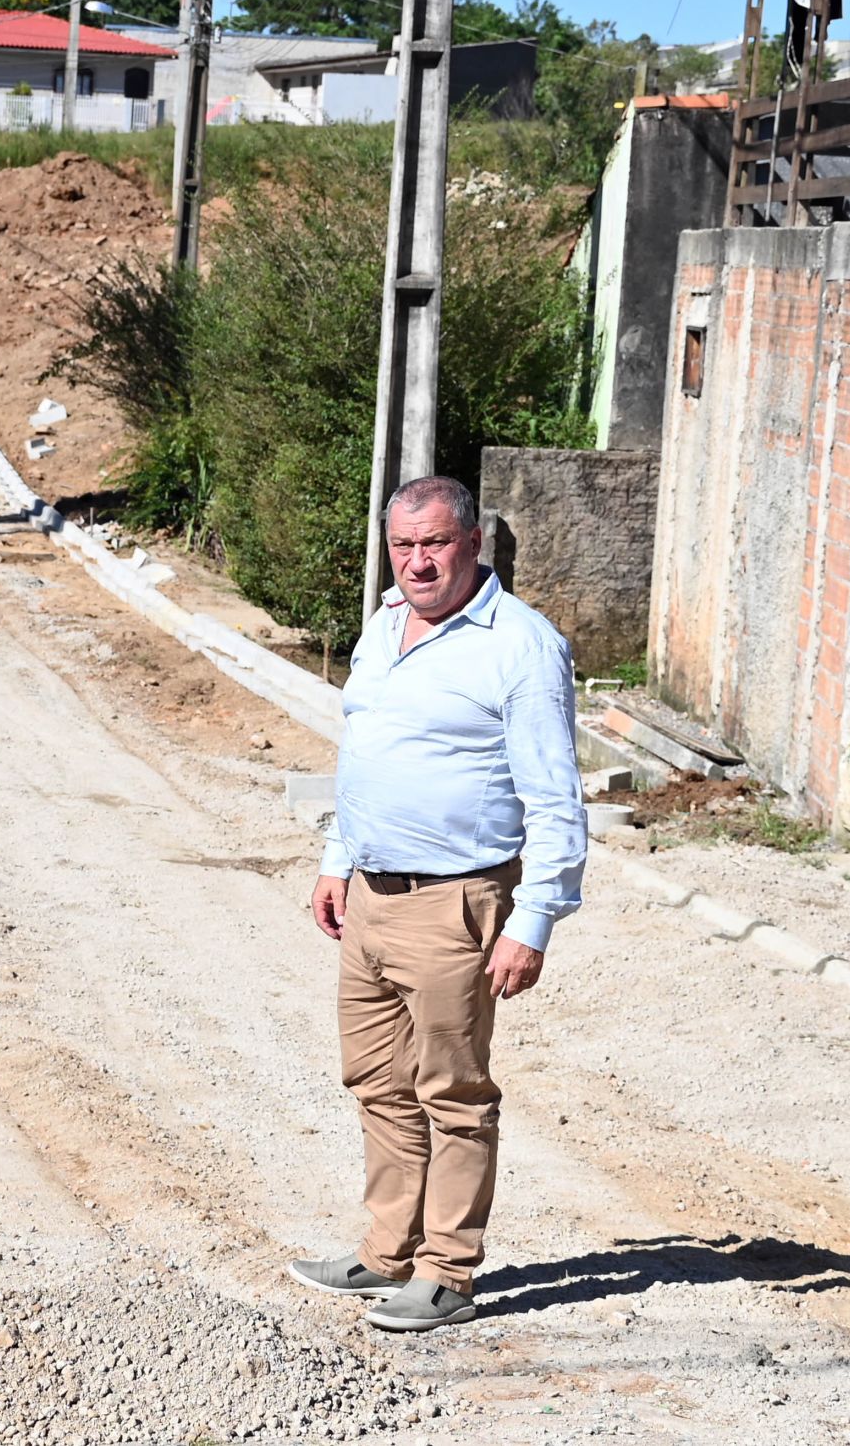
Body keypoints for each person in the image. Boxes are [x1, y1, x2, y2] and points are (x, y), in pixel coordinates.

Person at [288, 474, 586, 1334]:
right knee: (377, 1081)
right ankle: (387, 1252)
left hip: (457, 902)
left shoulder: (520, 645)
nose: (419, 561)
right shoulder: (383, 627)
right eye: (404, 544)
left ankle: (448, 1272)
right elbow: (365, 749)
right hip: (372, 896)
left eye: (436, 544)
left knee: (453, 1091)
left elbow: (556, 800)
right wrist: (336, 859)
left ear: (474, 545)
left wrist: (533, 920)